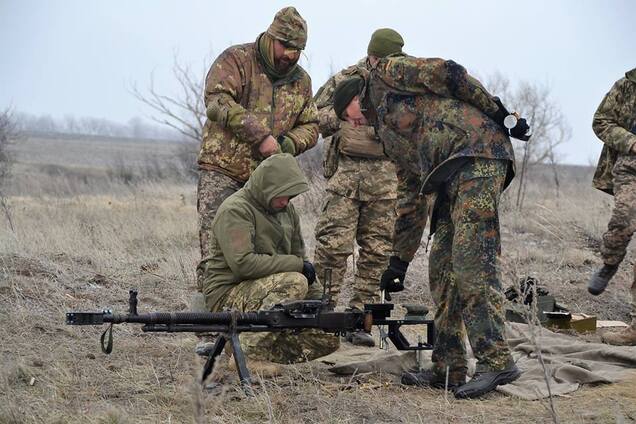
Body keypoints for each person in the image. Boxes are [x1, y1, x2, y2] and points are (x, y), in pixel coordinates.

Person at [331, 39, 531, 398]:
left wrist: (500, 113)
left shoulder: (389, 74)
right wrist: (398, 261)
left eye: (351, 112)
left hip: (479, 153)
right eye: (349, 121)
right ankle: (449, 368)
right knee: (441, 266)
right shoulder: (389, 139)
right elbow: (410, 199)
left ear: (357, 96)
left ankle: (497, 360)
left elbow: (449, 72)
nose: (354, 121)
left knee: (472, 262)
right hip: (451, 173)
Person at [197, 6, 319, 283]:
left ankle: (259, 319)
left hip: (270, 183)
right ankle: (210, 322)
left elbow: (312, 126)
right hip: (224, 171)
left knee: (268, 253)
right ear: (271, 37)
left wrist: (286, 145)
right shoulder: (237, 60)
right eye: (286, 45)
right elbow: (217, 102)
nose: (291, 54)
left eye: (298, 49)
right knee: (215, 253)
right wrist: (260, 136)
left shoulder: (302, 81)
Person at [197, 154, 339, 369]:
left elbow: (303, 261)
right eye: (281, 195)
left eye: (290, 196)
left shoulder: (286, 210)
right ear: (266, 187)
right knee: (294, 281)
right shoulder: (235, 210)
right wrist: (297, 267)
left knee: (326, 339)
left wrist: (321, 305)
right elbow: (244, 264)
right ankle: (245, 357)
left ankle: (239, 346)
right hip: (228, 292)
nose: (286, 201)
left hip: (269, 291)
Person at [312, 29, 402, 347]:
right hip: (345, 182)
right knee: (332, 249)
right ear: (371, 56)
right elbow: (312, 117)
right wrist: (344, 117)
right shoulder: (347, 79)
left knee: (377, 253)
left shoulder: (403, 85)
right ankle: (319, 316)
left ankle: (360, 321)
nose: (386, 66)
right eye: (382, 60)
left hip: (386, 185)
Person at [588, 67, 636, 346]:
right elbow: (601, 121)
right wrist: (631, 142)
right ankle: (609, 263)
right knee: (623, 219)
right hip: (630, 168)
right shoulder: (627, 85)